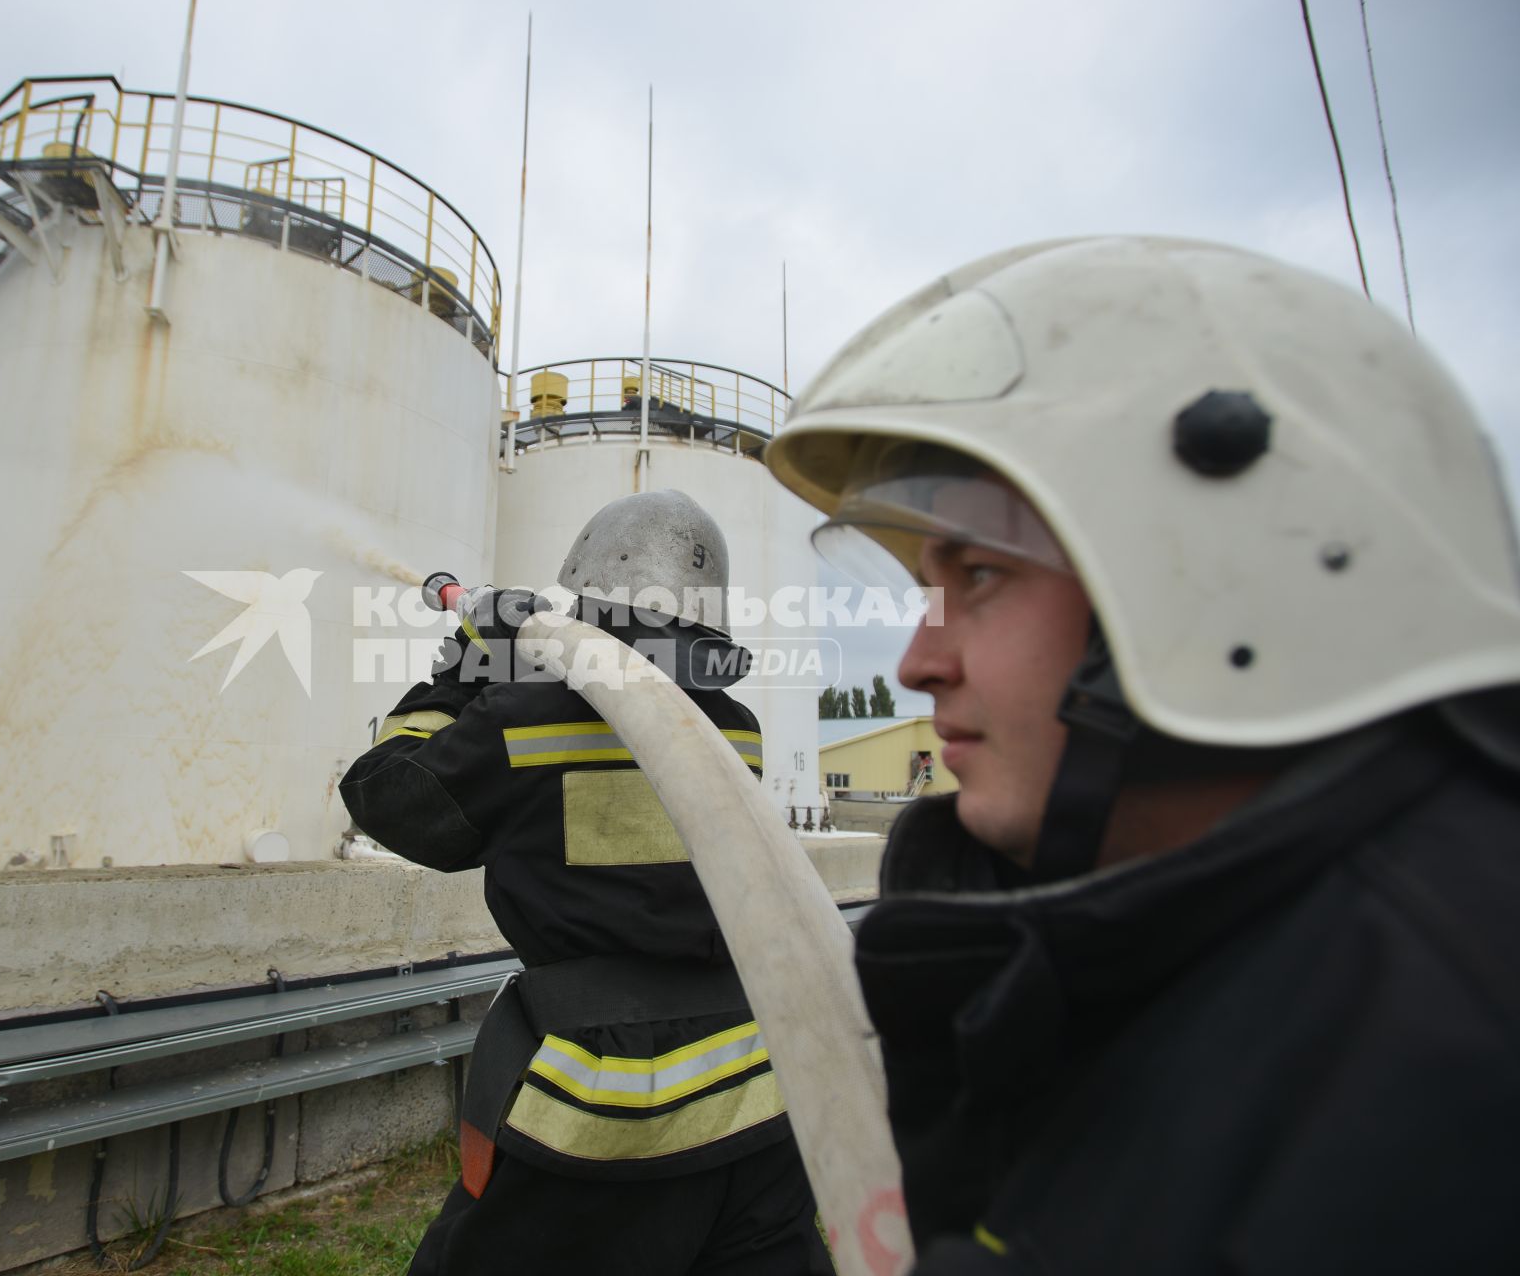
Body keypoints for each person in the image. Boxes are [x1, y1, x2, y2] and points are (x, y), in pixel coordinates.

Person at [763, 236, 1520, 1273]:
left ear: (1218, 581)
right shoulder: (1217, 953)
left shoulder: (1451, 1065)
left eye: (978, 575)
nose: (916, 663)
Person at [340, 489, 832, 1276]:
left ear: (587, 599)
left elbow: (386, 795)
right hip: (758, 1099)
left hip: (607, 1113)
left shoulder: (521, 717)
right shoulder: (733, 725)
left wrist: (467, 660)